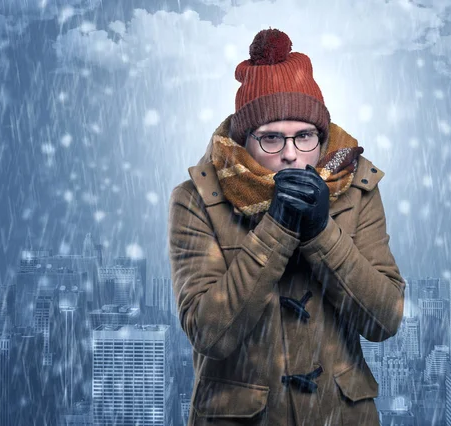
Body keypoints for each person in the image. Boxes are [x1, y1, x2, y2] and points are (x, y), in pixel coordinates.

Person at [168, 28, 406, 426]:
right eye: (272, 139)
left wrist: (321, 234)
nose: (292, 155)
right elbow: (210, 333)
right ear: (245, 141)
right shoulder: (197, 199)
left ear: (322, 136)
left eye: (304, 136)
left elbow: (383, 320)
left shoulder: (356, 187)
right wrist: (275, 229)